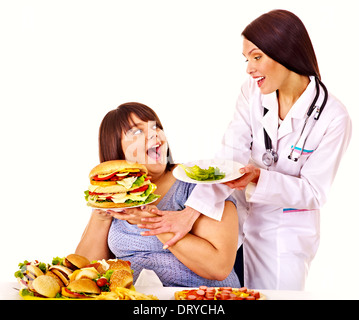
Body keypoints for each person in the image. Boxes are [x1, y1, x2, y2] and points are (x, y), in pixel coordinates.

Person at [134, 10, 352, 290]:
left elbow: (313, 191)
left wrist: (259, 177)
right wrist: (189, 215)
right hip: (236, 224)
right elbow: (228, 157)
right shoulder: (252, 92)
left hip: (284, 237)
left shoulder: (333, 117)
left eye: (257, 56)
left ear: (285, 53)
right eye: (247, 59)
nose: (249, 68)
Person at [75, 102, 241, 288]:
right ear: (115, 148)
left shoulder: (196, 185)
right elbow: (85, 273)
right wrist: (101, 216)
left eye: (156, 127)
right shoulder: (116, 195)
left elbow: (218, 267)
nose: (154, 134)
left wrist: (151, 221)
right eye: (137, 132)